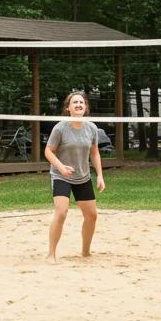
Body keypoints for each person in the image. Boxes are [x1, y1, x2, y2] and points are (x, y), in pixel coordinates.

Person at [44, 91, 105, 262]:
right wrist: (61, 167)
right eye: (75, 102)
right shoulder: (61, 128)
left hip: (82, 176)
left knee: (92, 215)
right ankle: (51, 254)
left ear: (85, 107)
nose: (79, 105)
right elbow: (48, 151)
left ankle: (85, 252)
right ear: (68, 108)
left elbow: (94, 153)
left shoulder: (91, 128)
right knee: (61, 212)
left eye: (81, 102)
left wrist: (99, 175)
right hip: (61, 175)